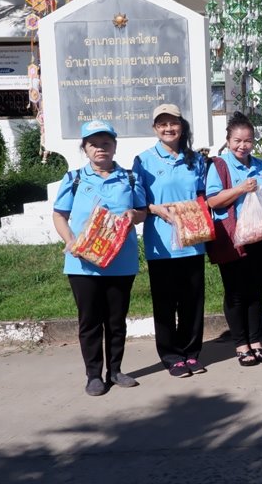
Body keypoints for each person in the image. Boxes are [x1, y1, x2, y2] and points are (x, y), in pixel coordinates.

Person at [51, 120, 147, 396]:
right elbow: (59, 214)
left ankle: (115, 370)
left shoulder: (130, 178)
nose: (100, 148)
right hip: (83, 264)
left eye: (106, 143)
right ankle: (93, 375)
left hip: (121, 262)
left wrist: (134, 215)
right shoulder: (74, 179)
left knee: (116, 320)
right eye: (94, 144)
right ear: (85, 149)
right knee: (90, 320)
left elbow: (142, 211)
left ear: (115, 146)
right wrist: (70, 241)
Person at [133, 104, 209, 378]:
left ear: (181, 126)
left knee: (192, 303)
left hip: (192, 241)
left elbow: (203, 196)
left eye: (173, 123)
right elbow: (138, 202)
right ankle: (171, 356)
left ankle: (191, 352)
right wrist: (156, 209)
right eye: (162, 124)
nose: (168, 128)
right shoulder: (143, 161)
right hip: (162, 245)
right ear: (155, 128)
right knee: (165, 304)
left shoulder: (196, 160)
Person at [206, 112, 262, 367]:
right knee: (235, 292)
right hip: (232, 237)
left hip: (258, 235)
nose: (242, 146)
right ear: (228, 140)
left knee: (256, 290)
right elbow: (213, 201)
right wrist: (240, 189)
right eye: (237, 140)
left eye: (247, 141)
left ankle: (256, 341)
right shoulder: (219, 166)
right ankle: (241, 344)